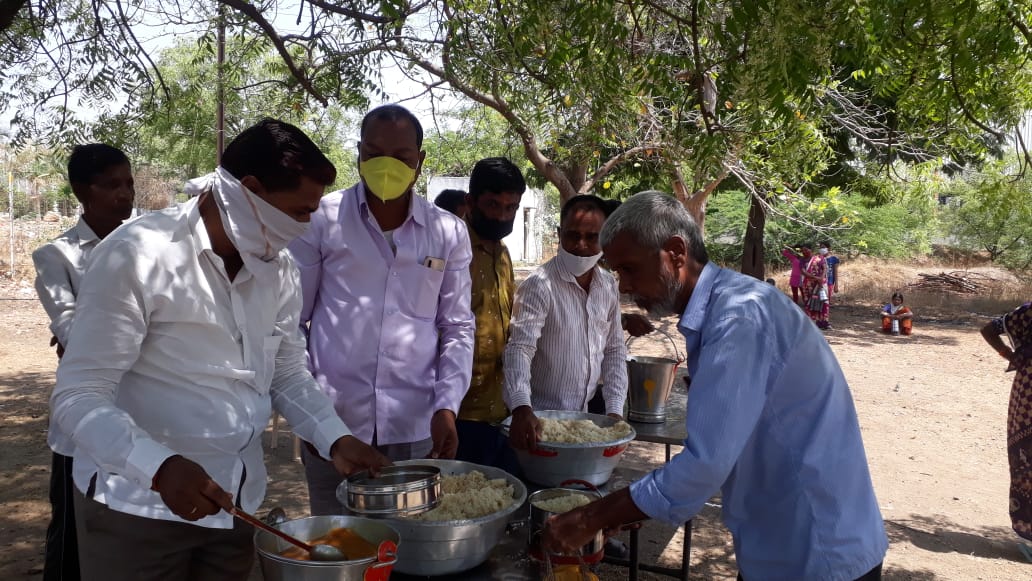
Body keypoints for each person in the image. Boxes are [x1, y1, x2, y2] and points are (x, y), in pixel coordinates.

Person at [50, 119, 390, 581]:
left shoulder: (280, 270)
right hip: (137, 511)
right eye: (299, 211)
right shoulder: (137, 256)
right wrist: (159, 467)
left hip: (234, 506)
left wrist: (334, 436)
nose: (306, 226)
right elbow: (78, 397)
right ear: (249, 191)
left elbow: (287, 371)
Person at [541, 191, 887, 581]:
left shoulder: (740, 316)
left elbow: (706, 462)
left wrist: (591, 517)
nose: (622, 287)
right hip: (777, 544)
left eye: (630, 269)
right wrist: (634, 506)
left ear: (675, 252)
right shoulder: (722, 308)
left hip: (817, 551)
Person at [289, 104, 474, 515]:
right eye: (373, 155)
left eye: (401, 159)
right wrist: (315, 414)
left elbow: (458, 326)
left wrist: (447, 405)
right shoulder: (321, 220)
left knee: (408, 546)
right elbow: (290, 323)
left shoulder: (447, 232)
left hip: (416, 423)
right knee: (339, 545)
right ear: (358, 153)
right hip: (335, 423)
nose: (385, 167)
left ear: (420, 162)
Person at [32, 143, 135, 581]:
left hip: (143, 407)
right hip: (88, 407)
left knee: (134, 525)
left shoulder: (148, 246)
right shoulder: (57, 256)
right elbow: (72, 330)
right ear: (81, 190)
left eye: (129, 183)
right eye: (113, 185)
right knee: (74, 529)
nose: (125, 194)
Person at [504, 194, 628, 450]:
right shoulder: (540, 285)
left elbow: (615, 350)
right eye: (573, 235)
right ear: (559, 234)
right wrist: (521, 407)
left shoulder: (607, 286)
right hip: (538, 425)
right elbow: (520, 348)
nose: (581, 245)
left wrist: (614, 411)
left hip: (584, 423)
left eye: (592, 237)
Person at [454, 157, 525, 471]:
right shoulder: (449, 248)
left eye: (511, 207)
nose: (502, 215)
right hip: (457, 411)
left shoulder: (504, 253)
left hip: (501, 408)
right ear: (470, 201)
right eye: (494, 205)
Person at [980, 303, 1032, 558]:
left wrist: (1010, 355)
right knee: (1026, 463)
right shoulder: (1028, 311)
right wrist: (1008, 354)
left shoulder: (1027, 311)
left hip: (1026, 395)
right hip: (1028, 400)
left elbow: (989, 329)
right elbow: (988, 329)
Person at [800, 243, 830, 329]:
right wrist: (815, 277)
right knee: (809, 302)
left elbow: (824, 268)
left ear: (810, 250)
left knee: (823, 301)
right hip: (808, 285)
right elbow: (803, 272)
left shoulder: (819, 258)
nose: (804, 252)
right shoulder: (802, 260)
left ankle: (822, 322)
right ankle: (810, 323)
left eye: (806, 250)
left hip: (820, 284)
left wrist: (821, 278)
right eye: (802, 250)